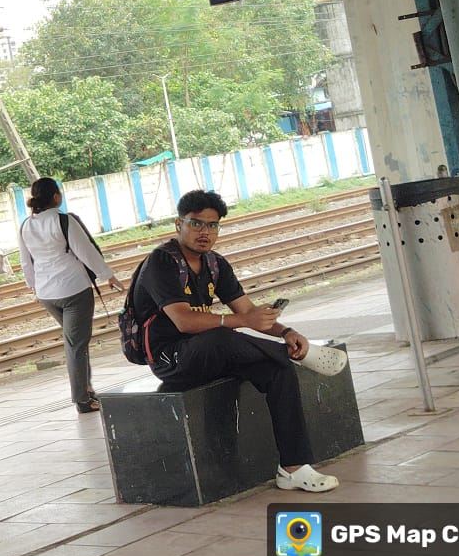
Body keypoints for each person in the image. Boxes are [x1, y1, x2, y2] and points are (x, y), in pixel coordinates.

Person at [131, 190, 339, 494]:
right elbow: (185, 321)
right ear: (179, 224)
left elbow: (247, 311)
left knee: (277, 370)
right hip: (171, 360)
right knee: (224, 335)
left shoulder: (215, 264)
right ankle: (287, 354)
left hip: (210, 353)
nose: (205, 233)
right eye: (197, 224)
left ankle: (293, 468)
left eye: (212, 226)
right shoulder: (161, 263)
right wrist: (245, 324)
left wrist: (286, 332)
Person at [18, 177, 125, 413]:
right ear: (55, 196)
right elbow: (85, 251)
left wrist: (34, 288)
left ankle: (87, 390)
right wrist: (109, 276)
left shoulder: (26, 225)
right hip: (74, 290)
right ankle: (83, 400)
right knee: (76, 345)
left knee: (75, 342)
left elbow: (25, 262)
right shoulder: (63, 220)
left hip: (47, 294)